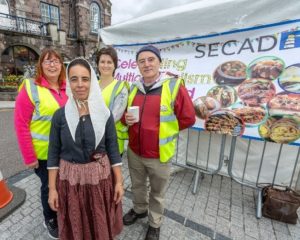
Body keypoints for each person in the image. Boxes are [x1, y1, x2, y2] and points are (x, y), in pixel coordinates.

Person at [122, 45, 196, 240]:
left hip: (159, 154)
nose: (146, 64)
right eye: (142, 61)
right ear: (137, 65)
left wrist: (164, 129)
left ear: (159, 62)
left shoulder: (172, 86)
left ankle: (155, 223)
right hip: (135, 151)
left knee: (157, 192)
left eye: (150, 59)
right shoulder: (133, 87)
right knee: (137, 186)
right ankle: (139, 210)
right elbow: (124, 115)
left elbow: (188, 118)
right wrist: (125, 119)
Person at [47, 58, 124, 240]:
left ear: (92, 81)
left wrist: (119, 182)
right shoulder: (60, 116)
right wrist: (52, 189)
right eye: (74, 79)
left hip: (99, 180)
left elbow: (113, 149)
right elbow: (53, 153)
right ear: (68, 82)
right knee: (76, 224)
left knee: (98, 222)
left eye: (85, 79)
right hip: (71, 182)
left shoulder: (104, 113)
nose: (80, 85)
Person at [14, 48, 67, 239]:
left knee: (62, 185)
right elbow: (21, 124)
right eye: (47, 61)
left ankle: (60, 210)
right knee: (48, 187)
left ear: (61, 65)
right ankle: (50, 218)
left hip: (65, 152)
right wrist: (29, 157)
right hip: (43, 154)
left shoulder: (66, 87)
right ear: (41, 65)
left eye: (56, 61)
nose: (52, 65)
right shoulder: (30, 87)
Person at [96, 47, 129, 155]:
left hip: (111, 143)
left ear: (115, 65)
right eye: (102, 62)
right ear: (97, 64)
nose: (105, 65)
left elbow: (114, 117)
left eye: (109, 62)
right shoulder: (92, 85)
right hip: (92, 142)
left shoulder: (121, 87)